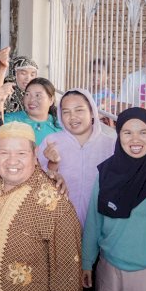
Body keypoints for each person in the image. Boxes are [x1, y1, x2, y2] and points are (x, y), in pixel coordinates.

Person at [0, 122, 83, 291]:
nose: (12, 161)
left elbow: (68, 277)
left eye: (21, 153)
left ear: (35, 154)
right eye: (4, 153)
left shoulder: (56, 204)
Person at [82, 107, 146, 291]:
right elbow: (94, 221)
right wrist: (87, 261)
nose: (135, 139)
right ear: (119, 135)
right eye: (127, 132)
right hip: (108, 268)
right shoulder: (106, 172)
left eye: (143, 132)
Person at [37, 89, 116, 226]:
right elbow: (41, 187)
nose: (72, 117)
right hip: (61, 225)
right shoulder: (51, 142)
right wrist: (52, 164)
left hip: (100, 226)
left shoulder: (111, 145)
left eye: (79, 110)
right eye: (66, 112)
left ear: (92, 112)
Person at [5, 78, 61, 145]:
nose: (31, 100)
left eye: (38, 95)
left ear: (51, 100)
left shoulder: (61, 125)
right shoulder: (10, 120)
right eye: (27, 94)